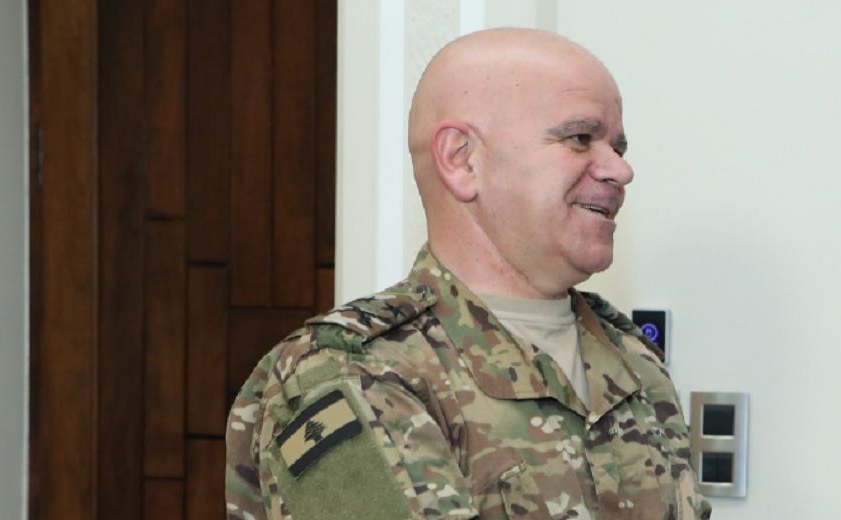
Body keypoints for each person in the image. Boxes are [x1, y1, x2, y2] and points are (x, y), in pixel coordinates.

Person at [225, 28, 712, 520]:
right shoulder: (354, 370)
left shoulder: (633, 361)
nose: (619, 171)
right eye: (580, 138)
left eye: (617, 148)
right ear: (461, 160)